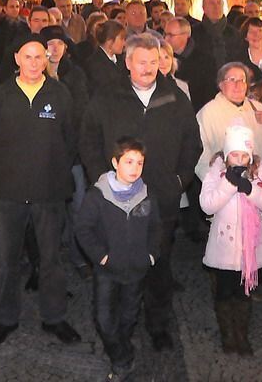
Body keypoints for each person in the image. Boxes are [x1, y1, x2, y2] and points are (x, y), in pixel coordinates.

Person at [80, 33, 202, 352]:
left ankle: (158, 325)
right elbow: (89, 140)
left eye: (154, 61)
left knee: (159, 265)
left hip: (161, 199)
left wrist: (180, 180)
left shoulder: (174, 97)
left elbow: (192, 142)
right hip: (115, 200)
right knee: (115, 265)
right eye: (142, 62)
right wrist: (101, 179)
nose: (149, 68)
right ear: (128, 62)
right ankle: (116, 329)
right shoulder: (107, 96)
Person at [0, 35, 80, 347]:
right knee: (8, 259)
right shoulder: (0, 96)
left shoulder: (60, 93)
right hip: (10, 192)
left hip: (49, 191)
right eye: (28, 57)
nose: (35, 63)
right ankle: (5, 318)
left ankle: (54, 317)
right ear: (16, 59)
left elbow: (70, 139)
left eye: (40, 57)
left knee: (51, 258)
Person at [76, 137, 161, 379]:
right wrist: (101, 257)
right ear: (115, 162)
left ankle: (121, 354)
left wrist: (151, 256)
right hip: (107, 270)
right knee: (104, 318)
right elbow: (83, 228)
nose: (134, 169)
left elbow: (156, 228)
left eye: (140, 163)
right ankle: (121, 357)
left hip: (136, 269)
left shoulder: (146, 194)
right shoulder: (98, 195)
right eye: (129, 162)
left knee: (129, 316)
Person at [200, 125, 262, 355]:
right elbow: (207, 203)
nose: (240, 159)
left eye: (244, 155)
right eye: (235, 154)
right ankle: (227, 335)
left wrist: (250, 189)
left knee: (244, 293)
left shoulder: (259, 172)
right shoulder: (216, 173)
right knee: (224, 292)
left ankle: (242, 335)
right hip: (224, 249)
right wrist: (228, 185)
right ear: (226, 155)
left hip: (249, 249)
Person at [195, 63, 262, 183]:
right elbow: (200, 156)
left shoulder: (259, 108)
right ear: (221, 84)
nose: (238, 85)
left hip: (259, 186)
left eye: (242, 80)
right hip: (226, 188)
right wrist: (216, 185)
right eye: (232, 80)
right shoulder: (207, 113)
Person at [165, 16, 218, 111]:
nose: (166, 38)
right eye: (165, 34)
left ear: (185, 36)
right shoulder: (161, 58)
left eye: (171, 35)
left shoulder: (205, 61)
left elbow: (209, 94)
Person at [198, 0, 243, 70]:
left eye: (219, 3)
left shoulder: (234, 33)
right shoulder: (195, 32)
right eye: (212, 3)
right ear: (203, 8)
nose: (216, 7)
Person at [83, 19, 127, 95]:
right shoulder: (94, 64)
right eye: (121, 39)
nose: (124, 43)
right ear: (109, 41)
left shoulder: (122, 59)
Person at [238, 17, 262, 82]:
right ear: (245, 37)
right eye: (251, 32)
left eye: (260, 30)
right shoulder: (238, 60)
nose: (256, 35)